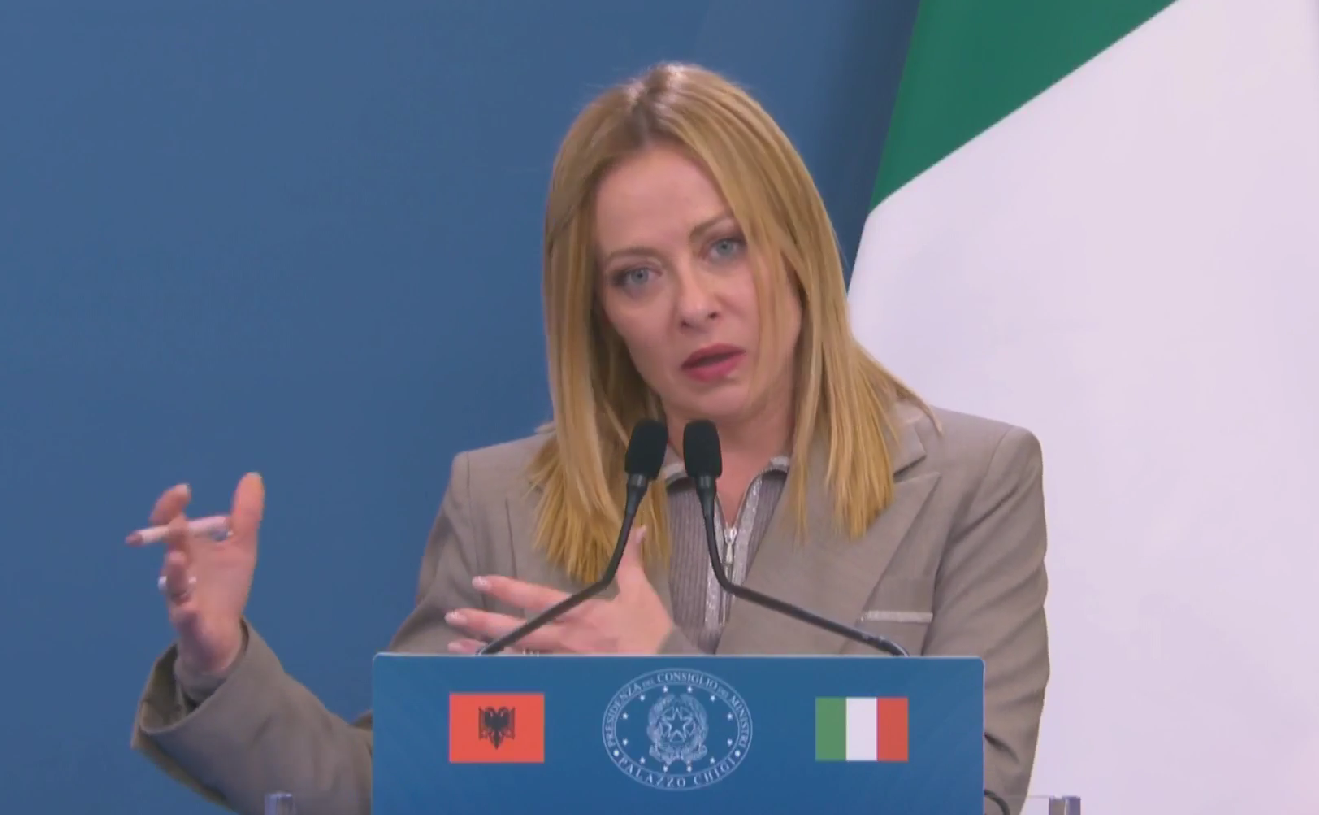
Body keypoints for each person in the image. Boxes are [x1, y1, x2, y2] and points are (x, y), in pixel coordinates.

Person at [129, 62, 1049, 815]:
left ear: (797, 247)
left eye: (723, 245)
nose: (693, 304)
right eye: (638, 275)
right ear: (602, 312)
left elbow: (969, 799)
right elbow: (396, 793)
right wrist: (224, 666)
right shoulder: (503, 503)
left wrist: (662, 674)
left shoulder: (969, 483)